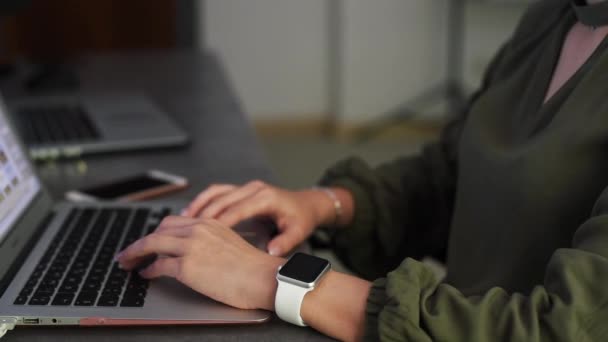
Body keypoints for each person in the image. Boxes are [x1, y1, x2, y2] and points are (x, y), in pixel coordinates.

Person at [116, 0, 608, 340]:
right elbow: (451, 178)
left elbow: (562, 329)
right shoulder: (553, 18)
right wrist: (323, 205)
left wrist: (275, 279)